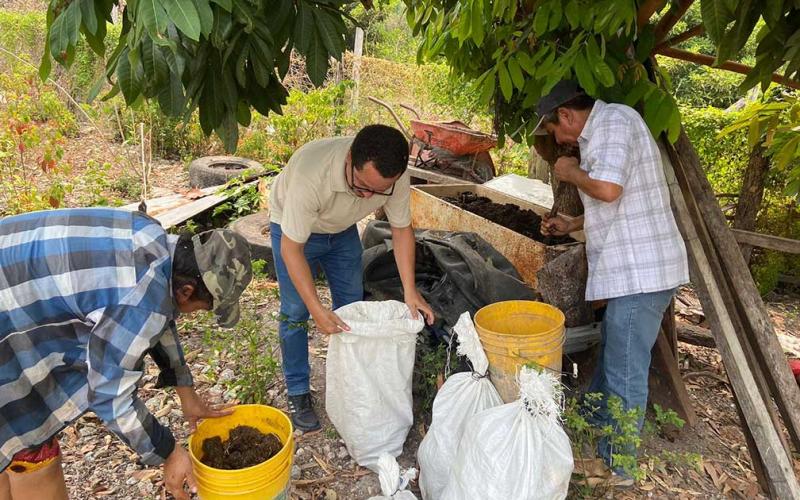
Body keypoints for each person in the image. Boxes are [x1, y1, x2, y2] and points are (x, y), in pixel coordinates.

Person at [0, 208, 253, 500]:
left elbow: (161, 312)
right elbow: (110, 395)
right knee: (32, 451)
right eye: (202, 308)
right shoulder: (141, 299)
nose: (195, 315)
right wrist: (169, 453)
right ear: (186, 291)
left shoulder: (153, 239)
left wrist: (185, 390)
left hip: (12, 270)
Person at [536, 81, 689, 482]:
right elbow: (622, 201)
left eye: (554, 130)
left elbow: (607, 189)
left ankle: (616, 466)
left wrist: (570, 172)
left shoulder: (615, 123)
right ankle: (590, 420)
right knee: (615, 354)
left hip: (642, 272)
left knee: (625, 368)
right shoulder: (606, 128)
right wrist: (574, 222)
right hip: (635, 271)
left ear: (566, 116)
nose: (558, 140)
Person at [269, 124, 435, 432]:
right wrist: (317, 308)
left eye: (377, 191)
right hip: (292, 228)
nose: (369, 196)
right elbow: (292, 250)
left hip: (342, 230)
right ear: (349, 159)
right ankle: (298, 391)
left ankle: (351, 383)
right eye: (361, 186)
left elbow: (401, 230)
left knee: (352, 306)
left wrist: (410, 291)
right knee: (295, 312)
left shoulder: (393, 177)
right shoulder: (311, 173)